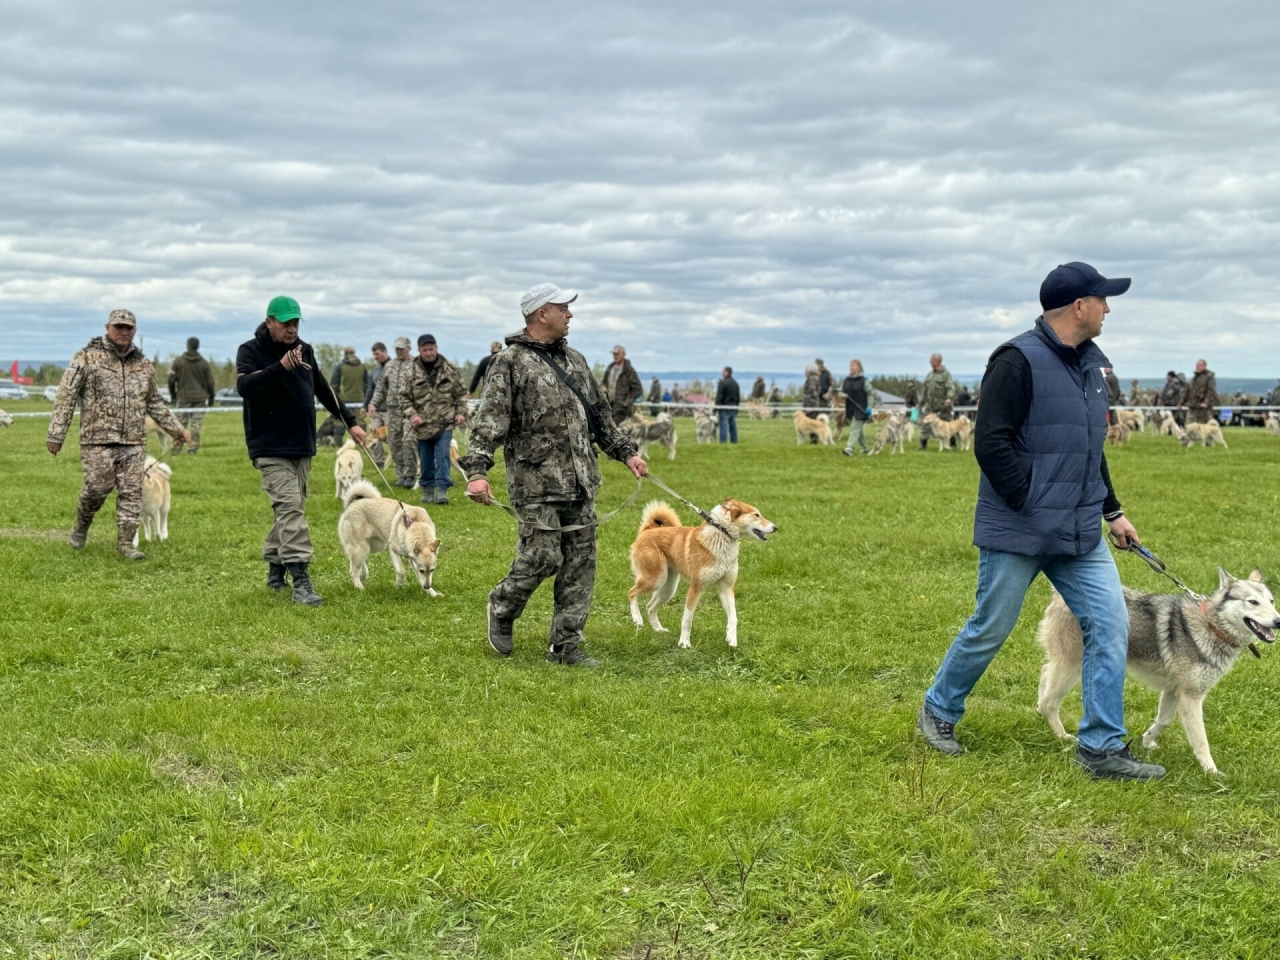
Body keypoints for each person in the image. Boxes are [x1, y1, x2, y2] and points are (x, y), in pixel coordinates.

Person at [916, 262, 1163, 781]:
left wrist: (1112, 512)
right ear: (1079, 306)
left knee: (1111, 623)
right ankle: (938, 709)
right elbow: (991, 443)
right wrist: (1030, 500)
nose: (1109, 309)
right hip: (1019, 528)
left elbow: (1090, 449)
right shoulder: (1015, 360)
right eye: (1103, 299)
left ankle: (1100, 748)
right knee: (992, 626)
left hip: (1079, 533)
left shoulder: (1091, 370)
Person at [460, 283, 646, 667]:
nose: (570, 314)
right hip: (535, 483)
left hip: (581, 480)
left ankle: (565, 647)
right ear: (541, 313)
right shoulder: (510, 362)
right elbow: (490, 420)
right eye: (564, 308)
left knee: (580, 565)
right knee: (541, 557)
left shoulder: (576, 361)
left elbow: (600, 416)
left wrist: (626, 453)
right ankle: (502, 606)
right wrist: (477, 470)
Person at [236, 296, 364, 606]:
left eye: (296, 323)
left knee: (289, 510)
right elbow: (245, 388)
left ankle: (275, 566)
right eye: (286, 323)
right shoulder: (250, 351)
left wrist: (350, 422)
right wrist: (280, 367)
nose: (292, 329)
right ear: (269, 322)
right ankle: (301, 579)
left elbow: (322, 387)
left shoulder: (304, 350)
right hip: (269, 446)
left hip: (302, 444)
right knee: (291, 508)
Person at [47, 310, 191, 558]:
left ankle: (126, 544)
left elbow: (154, 402)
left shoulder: (144, 365)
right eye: (119, 327)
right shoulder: (86, 358)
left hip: (133, 441)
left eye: (129, 328)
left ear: (134, 330)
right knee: (96, 487)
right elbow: (65, 397)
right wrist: (56, 434)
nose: (124, 332)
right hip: (97, 440)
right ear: (108, 327)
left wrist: (177, 429)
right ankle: (82, 524)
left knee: (132, 492)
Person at [403, 334, 467, 504]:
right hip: (422, 426)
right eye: (425, 350)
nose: (429, 353)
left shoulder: (449, 369)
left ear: (436, 348)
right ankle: (428, 489)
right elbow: (403, 397)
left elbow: (461, 393)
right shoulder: (410, 372)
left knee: (443, 457)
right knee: (425, 460)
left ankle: (441, 490)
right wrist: (412, 415)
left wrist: (461, 412)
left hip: (444, 423)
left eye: (431, 349)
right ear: (419, 351)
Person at [368, 337, 419, 487]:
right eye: (397, 349)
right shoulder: (390, 366)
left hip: (410, 411)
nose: (399, 352)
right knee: (394, 442)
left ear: (409, 348)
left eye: (402, 349)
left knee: (409, 442)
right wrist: (373, 404)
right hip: (393, 411)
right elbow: (381, 388)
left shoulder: (416, 365)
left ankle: (410, 475)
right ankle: (401, 474)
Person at [167, 336, 216, 453]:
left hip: (183, 398)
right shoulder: (204, 363)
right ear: (198, 346)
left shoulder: (178, 362)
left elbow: (170, 380)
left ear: (187, 345)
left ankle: (176, 448)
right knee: (196, 425)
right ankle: (193, 449)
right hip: (200, 398)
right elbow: (210, 382)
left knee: (179, 425)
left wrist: (173, 396)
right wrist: (211, 398)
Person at [329, 347, 370, 444]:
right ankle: (362, 443)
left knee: (340, 421)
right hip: (359, 400)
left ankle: (338, 445)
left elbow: (334, 385)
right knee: (360, 421)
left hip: (343, 400)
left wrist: (334, 399)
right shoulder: (362, 367)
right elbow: (367, 385)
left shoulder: (340, 366)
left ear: (345, 354)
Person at [919, 354, 958, 449]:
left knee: (948, 425)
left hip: (943, 406)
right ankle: (923, 444)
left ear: (937, 361)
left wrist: (949, 398)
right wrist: (921, 402)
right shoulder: (930, 375)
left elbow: (950, 388)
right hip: (930, 406)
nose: (930, 363)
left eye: (932, 361)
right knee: (926, 425)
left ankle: (952, 444)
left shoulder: (946, 374)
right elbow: (925, 390)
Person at [600, 344, 642, 424]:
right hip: (609, 406)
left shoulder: (629, 371)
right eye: (614, 354)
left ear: (623, 355)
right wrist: (603, 387)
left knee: (622, 433)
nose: (615, 356)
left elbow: (637, 388)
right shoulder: (610, 368)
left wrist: (627, 402)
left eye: (617, 354)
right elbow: (603, 382)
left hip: (623, 410)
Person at [841, 359, 871, 456]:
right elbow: (840, 391)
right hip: (850, 407)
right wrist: (842, 395)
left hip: (861, 407)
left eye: (853, 366)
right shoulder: (846, 380)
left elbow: (870, 394)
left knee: (855, 427)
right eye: (850, 366)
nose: (851, 368)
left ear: (858, 368)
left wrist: (870, 406)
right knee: (858, 429)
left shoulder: (864, 381)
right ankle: (865, 448)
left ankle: (849, 448)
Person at [1185, 359, 1218, 424]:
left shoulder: (1209, 377)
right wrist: (1181, 402)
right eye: (1196, 365)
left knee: (1205, 428)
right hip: (1193, 406)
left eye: (1199, 365)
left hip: (1203, 408)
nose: (1197, 367)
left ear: (1204, 366)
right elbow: (1188, 391)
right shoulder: (1194, 378)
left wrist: (1206, 402)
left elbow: (1211, 391)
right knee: (1189, 427)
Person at [715, 366, 740, 443]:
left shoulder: (722, 383)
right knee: (733, 426)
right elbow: (738, 397)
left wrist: (716, 408)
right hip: (733, 407)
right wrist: (737, 407)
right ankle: (734, 441)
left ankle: (723, 442)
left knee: (723, 426)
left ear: (727, 372)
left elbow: (719, 397)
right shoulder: (735, 383)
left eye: (723, 371)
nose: (722, 373)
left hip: (724, 407)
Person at [365, 342, 389, 416]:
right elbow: (370, 390)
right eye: (374, 354)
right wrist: (364, 406)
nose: (375, 357)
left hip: (390, 411)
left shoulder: (395, 368)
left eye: (377, 354)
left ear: (384, 352)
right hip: (376, 411)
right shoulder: (374, 371)